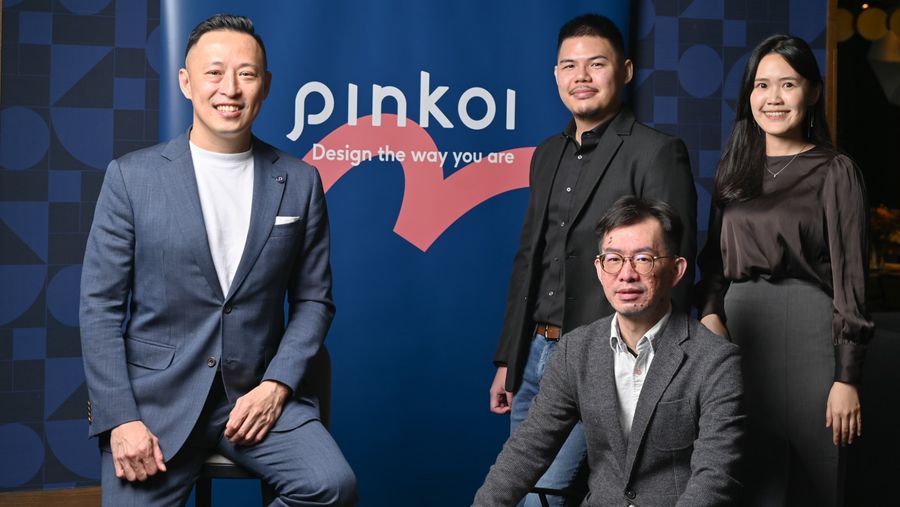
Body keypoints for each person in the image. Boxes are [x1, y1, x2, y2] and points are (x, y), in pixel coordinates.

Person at [80, 14, 357, 506]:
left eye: (246, 74)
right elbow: (99, 308)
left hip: (255, 396)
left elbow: (314, 301)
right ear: (186, 82)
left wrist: (277, 385)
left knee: (331, 486)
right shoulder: (130, 178)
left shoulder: (300, 180)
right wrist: (120, 417)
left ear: (265, 85)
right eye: (214, 72)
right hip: (154, 403)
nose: (230, 88)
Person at [488, 13, 696, 505]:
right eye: (569, 66)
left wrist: (642, 367)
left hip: (607, 356)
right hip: (536, 354)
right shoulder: (546, 154)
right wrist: (509, 359)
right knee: (522, 486)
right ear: (556, 75)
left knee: (545, 494)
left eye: (596, 64)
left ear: (625, 71)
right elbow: (530, 258)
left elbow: (672, 269)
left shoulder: (656, 152)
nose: (580, 76)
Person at [695, 34, 873, 507]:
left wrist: (847, 377)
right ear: (748, 95)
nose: (773, 98)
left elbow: (852, 279)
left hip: (810, 331)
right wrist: (711, 313)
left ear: (812, 92)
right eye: (762, 85)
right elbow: (713, 261)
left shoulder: (835, 170)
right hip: (738, 335)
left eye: (788, 84)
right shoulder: (734, 167)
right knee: (741, 475)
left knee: (814, 478)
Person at [475, 196, 744, 506]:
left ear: (675, 270)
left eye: (643, 259)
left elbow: (715, 478)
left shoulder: (715, 359)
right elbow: (526, 452)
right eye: (613, 259)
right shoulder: (576, 351)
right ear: (599, 269)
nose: (626, 274)